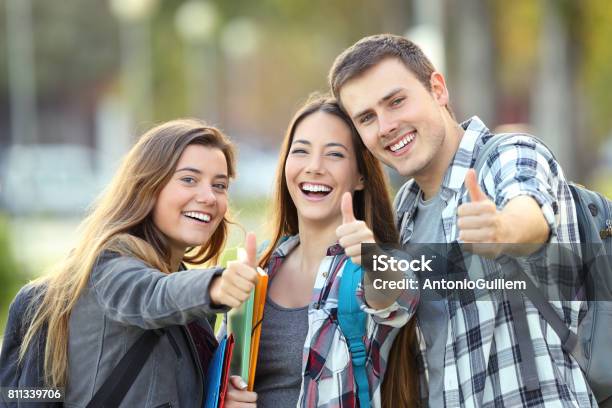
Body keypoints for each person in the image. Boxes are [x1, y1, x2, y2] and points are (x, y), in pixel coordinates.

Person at [329, 34, 593, 407]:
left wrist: (502, 231)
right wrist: (373, 259)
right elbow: (398, 311)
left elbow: (530, 214)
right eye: (367, 117)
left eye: (397, 101)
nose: (386, 126)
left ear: (437, 89)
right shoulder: (404, 212)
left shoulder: (507, 154)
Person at [0, 119, 258, 407]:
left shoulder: (190, 305)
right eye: (188, 179)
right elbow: (150, 294)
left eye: (220, 185)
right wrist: (216, 286)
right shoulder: (109, 269)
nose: (209, 197)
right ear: (146, 186)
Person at [254, 94, 418, 408]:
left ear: (360, 177)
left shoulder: (372, 264)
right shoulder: (263, 264)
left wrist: (370, 256)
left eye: (334, 155)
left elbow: (398, 297)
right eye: (301, 151)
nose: (314, 167)